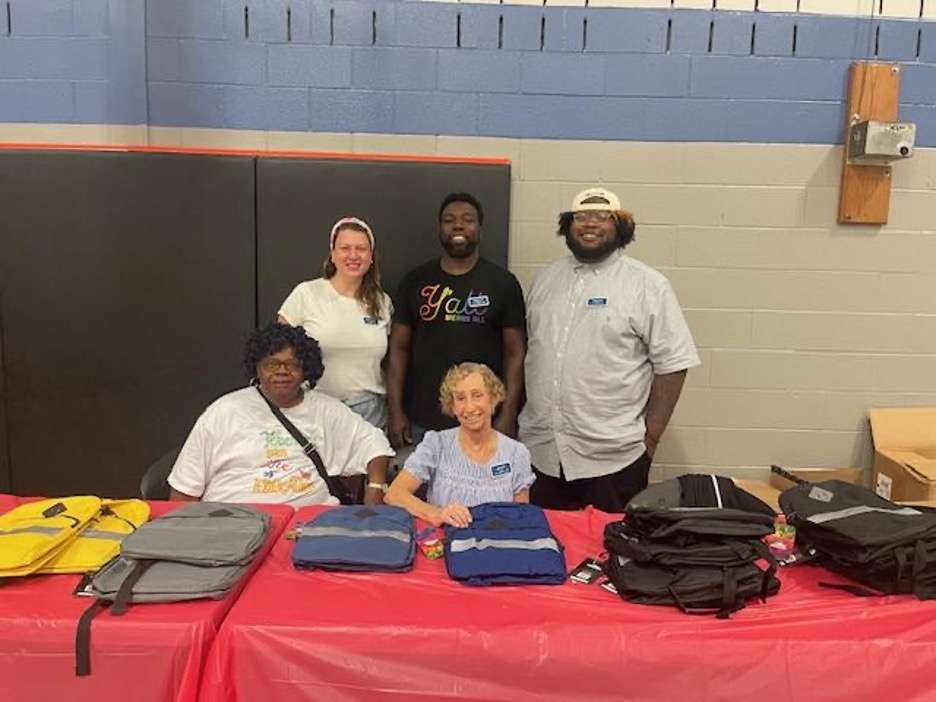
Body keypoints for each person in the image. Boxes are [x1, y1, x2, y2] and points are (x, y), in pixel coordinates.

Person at [518, 187, 700, 513]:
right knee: (546, 551)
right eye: (581, 216)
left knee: (610, 555)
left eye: (603, 217)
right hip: (542, 455)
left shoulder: (647, 285)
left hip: (613, 461)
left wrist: (651, 441)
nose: (590, 224)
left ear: (621, 225)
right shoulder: (545, 280)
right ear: (567, 225)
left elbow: (673, 364)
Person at [168, 322, 393, 507]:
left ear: (306, 368)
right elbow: (183, 492)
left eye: (292, 364)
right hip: (232, 526)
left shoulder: (326, 409)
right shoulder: (223, 411)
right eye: (272, 364)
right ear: (257, 367)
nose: (282, 372)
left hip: (307, 529)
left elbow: (374, 443)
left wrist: (375, 488)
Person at [387, 192, 526, 453]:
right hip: (422, 421)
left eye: (467, 219)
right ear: (440, 228)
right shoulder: (415, 281)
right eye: (449, 220)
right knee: (421, 494)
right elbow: (398, 349)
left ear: (479, 228)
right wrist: (395, 410)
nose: (458, 225)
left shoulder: (503, 283)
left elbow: (515, 352)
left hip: (483, 419)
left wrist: (508, 414)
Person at [385, 363, 534, 527]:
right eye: (460, 398)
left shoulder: (516, 453)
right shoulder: (436, 444)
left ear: (493, 398)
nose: (469, 407)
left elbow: (522, 517)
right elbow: (394, 494)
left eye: (477, 395)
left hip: (497, 543)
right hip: (446, 542)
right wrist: (437, 513)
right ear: (452, 406)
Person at [278, 216, 392, 429]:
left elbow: (388, 362)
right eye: (345, 248)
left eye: (361, 249)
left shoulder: (382, 302)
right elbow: (278, 353)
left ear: (371, 257)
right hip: (315, 408)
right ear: (332, 254)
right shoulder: (306, 293)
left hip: (369, 413)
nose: (353, 255)